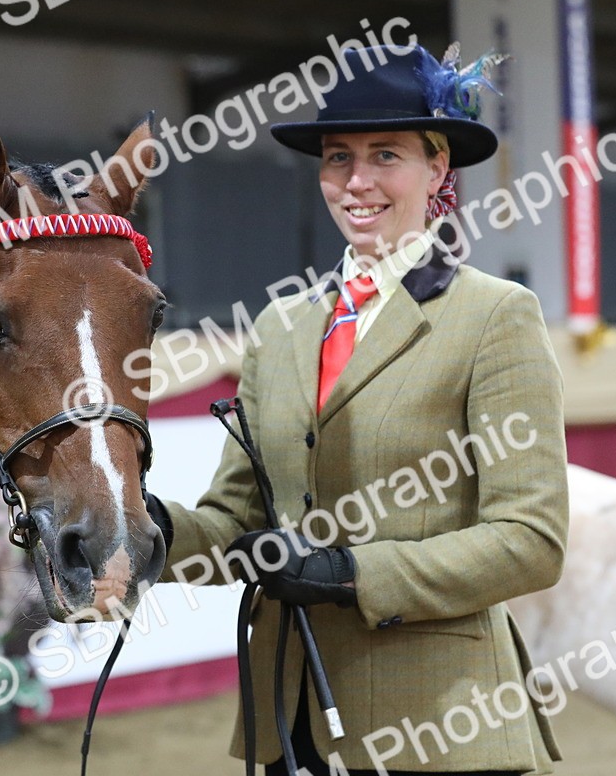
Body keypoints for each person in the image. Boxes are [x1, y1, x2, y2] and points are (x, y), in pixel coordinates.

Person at [145, 43, 568, 776]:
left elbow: (530, 539)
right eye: (338, 158)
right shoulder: (277, 329)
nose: (358, 181)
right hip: (290, 714)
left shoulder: (496, 316)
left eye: (385, 156)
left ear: (437, 169)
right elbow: (234, 523)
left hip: (439, 724)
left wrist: (351, 573)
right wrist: (141, 525)